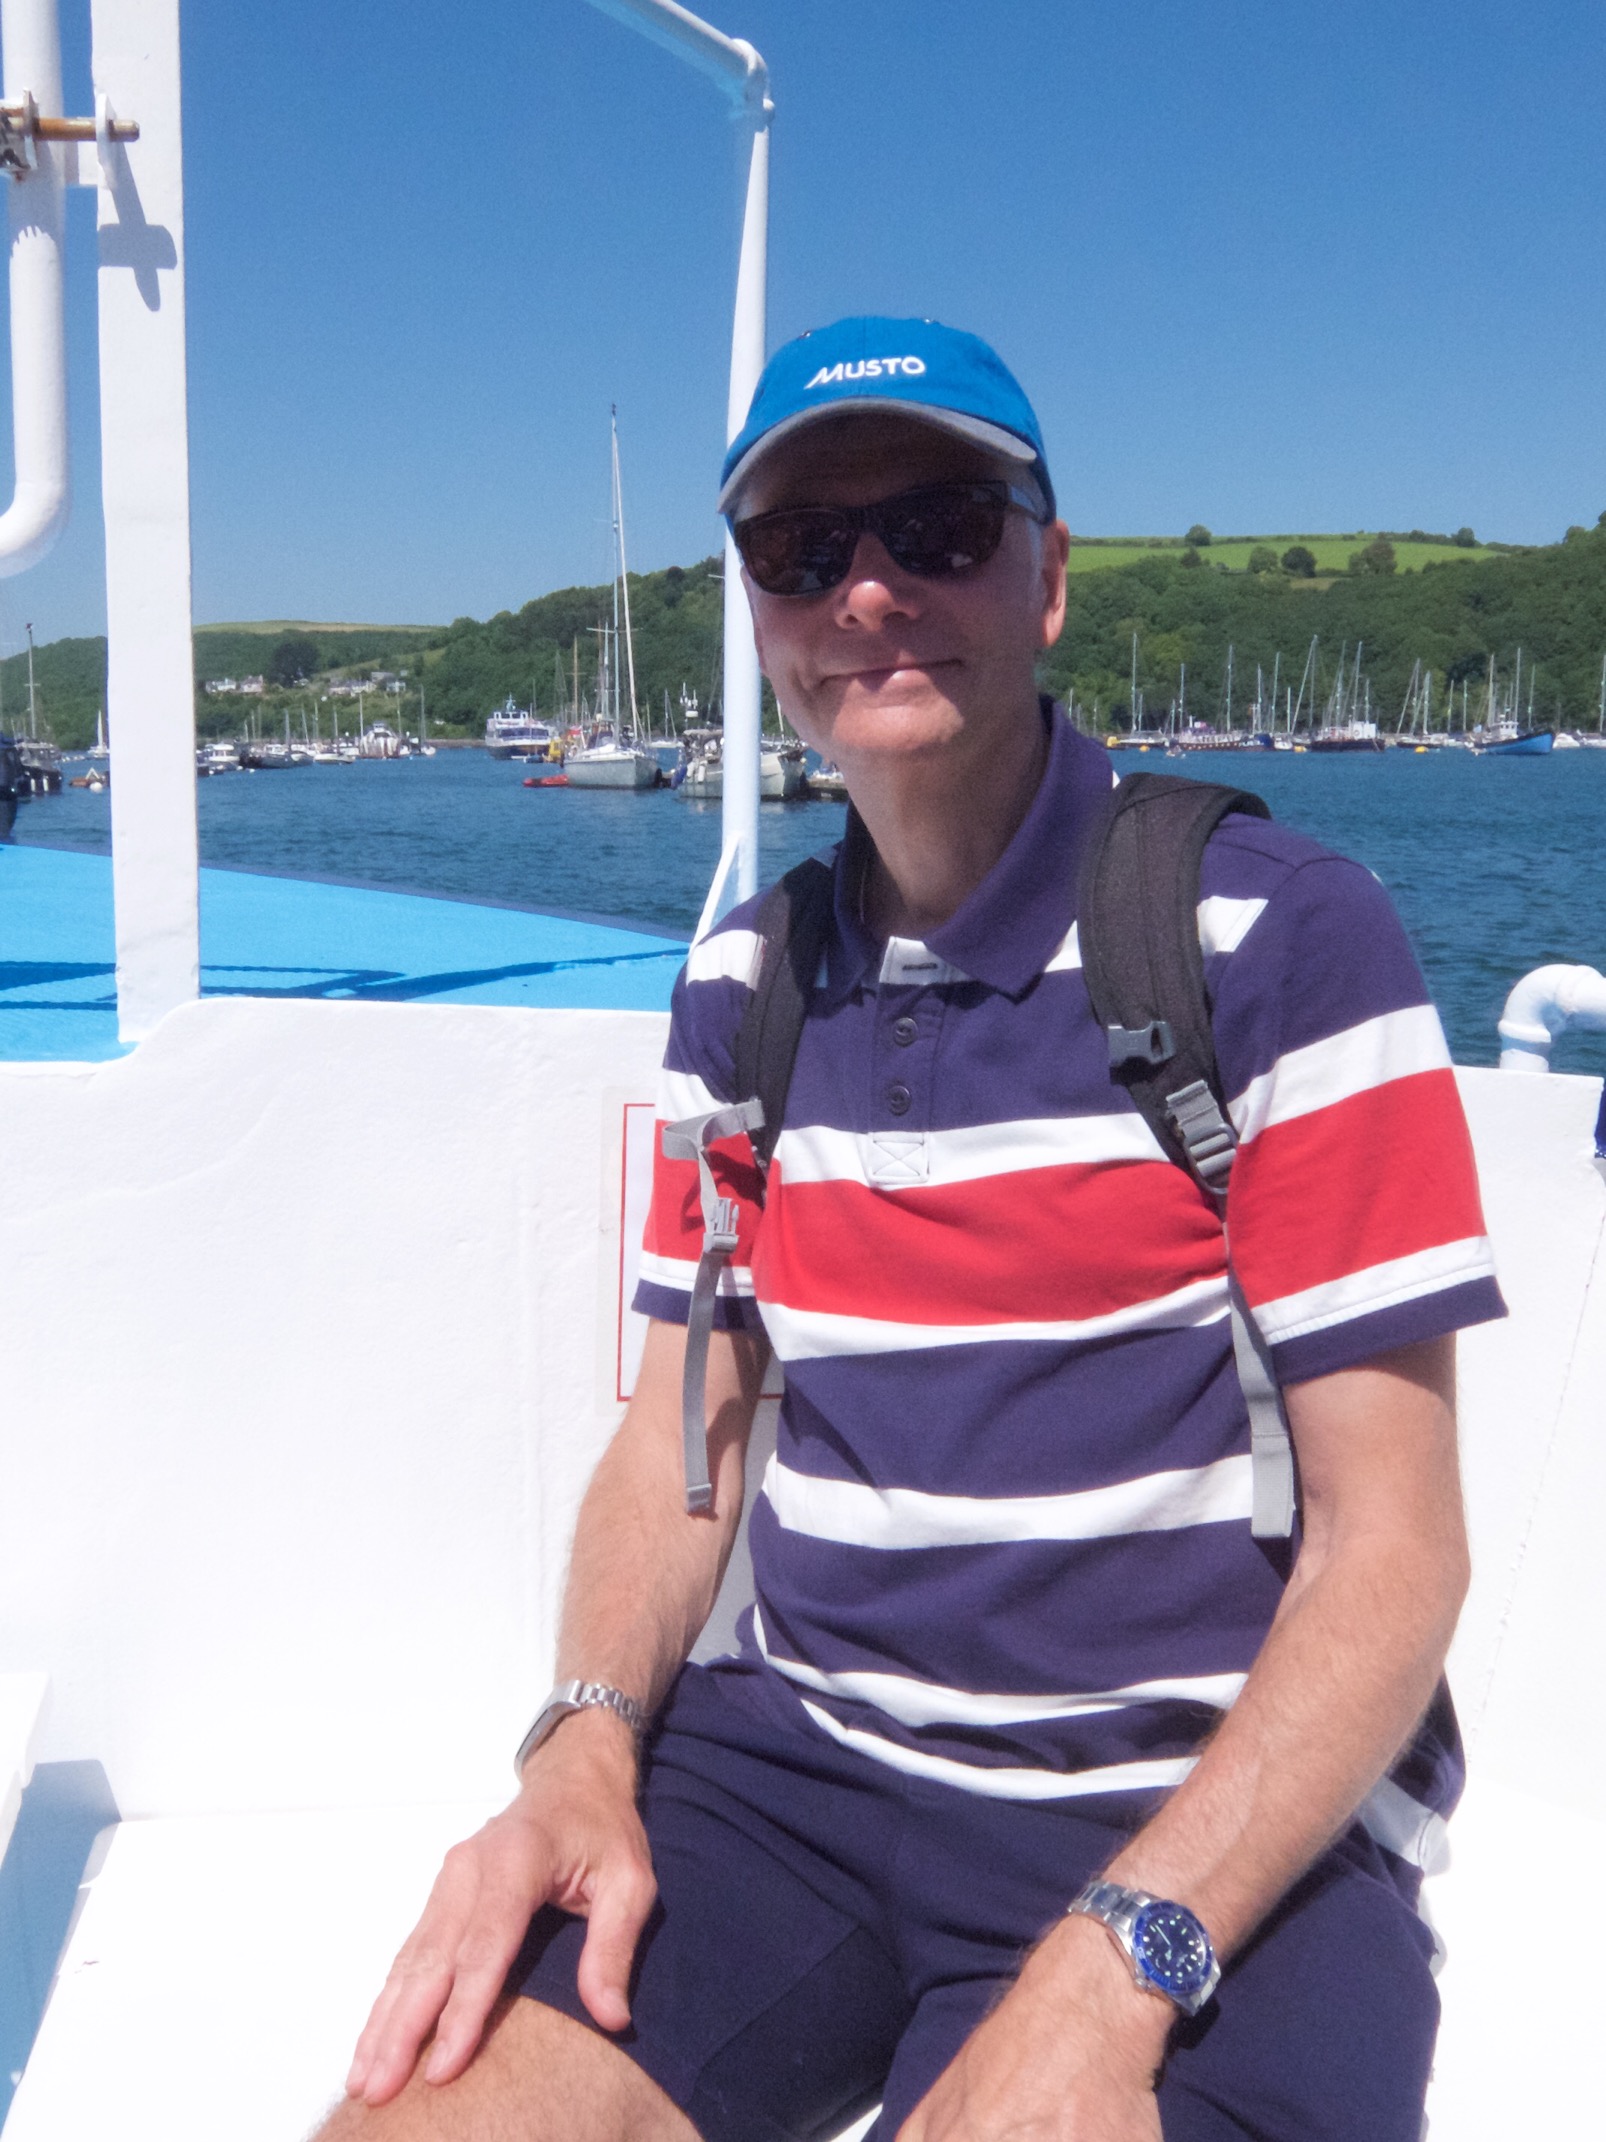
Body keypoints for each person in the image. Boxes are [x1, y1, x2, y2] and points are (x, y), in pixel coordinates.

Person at [324, 318, 1505, 2142]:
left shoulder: (1271, 937)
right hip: (800, 1778)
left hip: (1207, 1806)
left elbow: (1394, 1546)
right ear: (758, 612)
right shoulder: (745, 985)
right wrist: (581, 1736)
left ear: (1047, 574)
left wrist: (1111, 1963)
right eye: (803, 549)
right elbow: (679, 1441)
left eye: (939, 526)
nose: (868, 591)